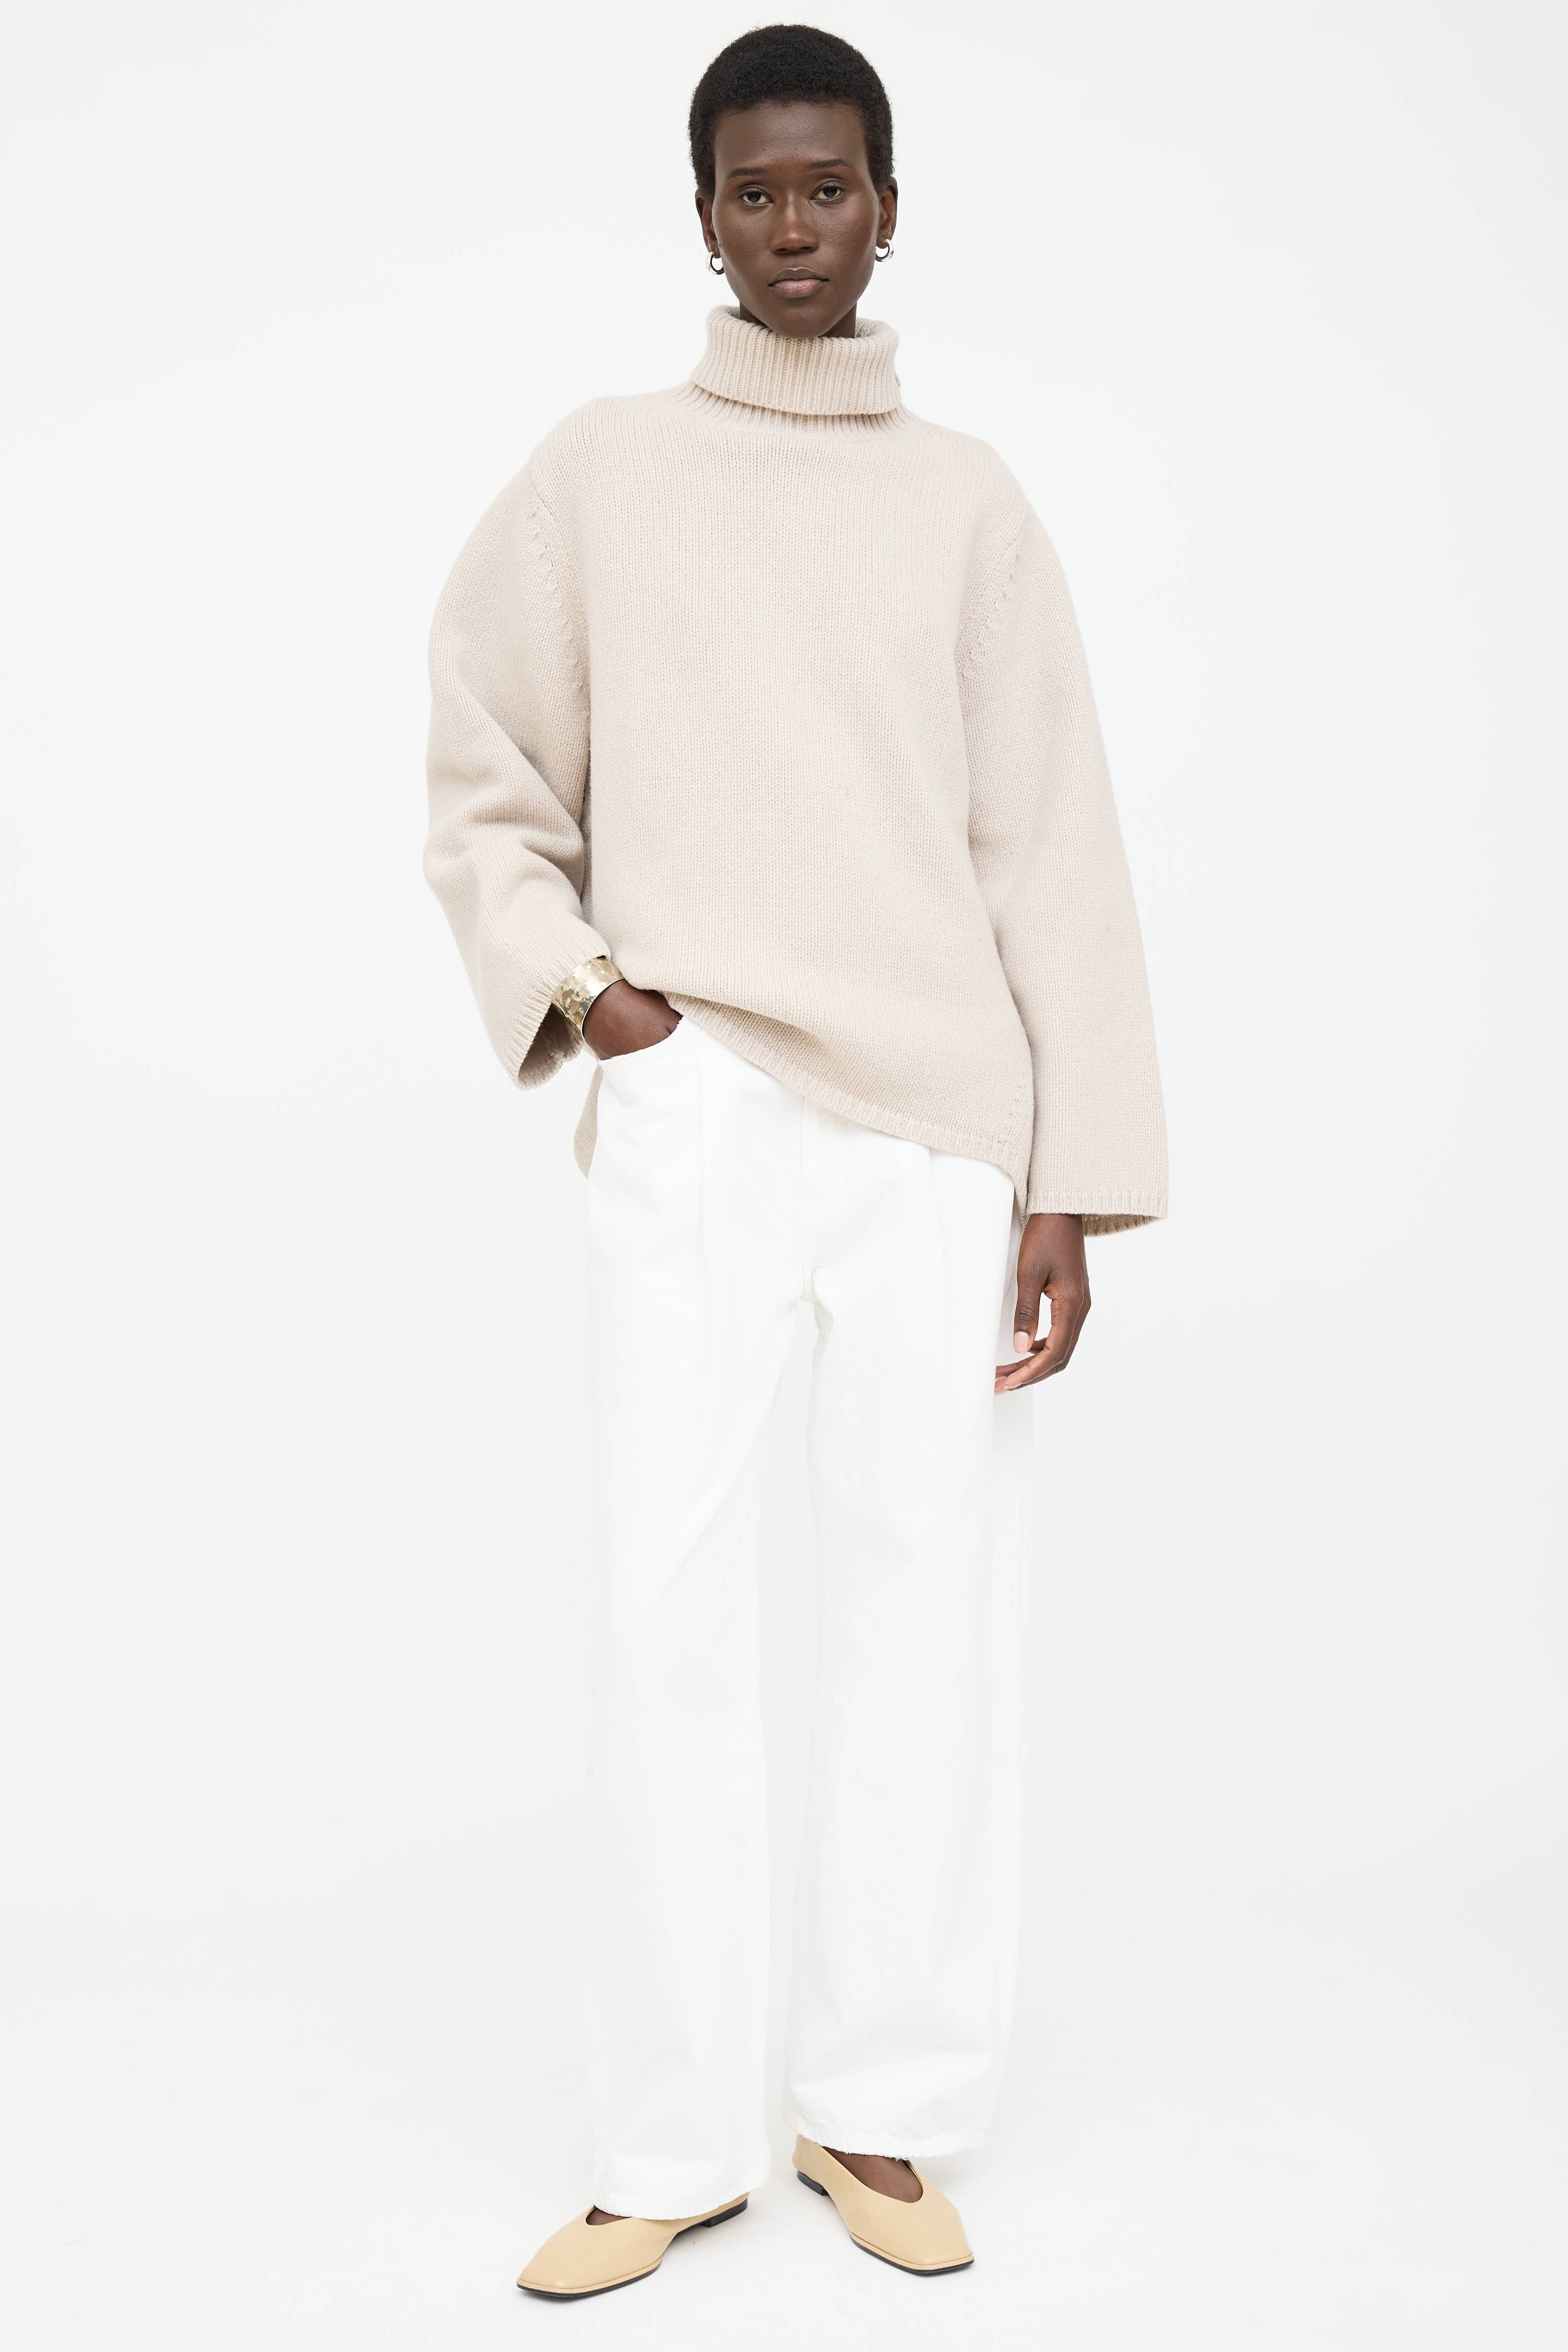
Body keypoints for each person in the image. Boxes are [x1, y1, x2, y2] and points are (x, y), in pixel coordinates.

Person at [423, 22, 1166, 2302]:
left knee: (927, 1606)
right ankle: (668, 2141)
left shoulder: (972, 505)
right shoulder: (603, 474)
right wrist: (595, 997)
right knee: (665, 1606)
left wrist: (1071, 1174)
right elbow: (482, 763)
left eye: (828, 186)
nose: (792, 226)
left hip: (937, 1126)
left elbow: (1048, 844)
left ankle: (878, 2105)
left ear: (890, 206)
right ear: (704, 218)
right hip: (701, 1095)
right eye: (751, 192)